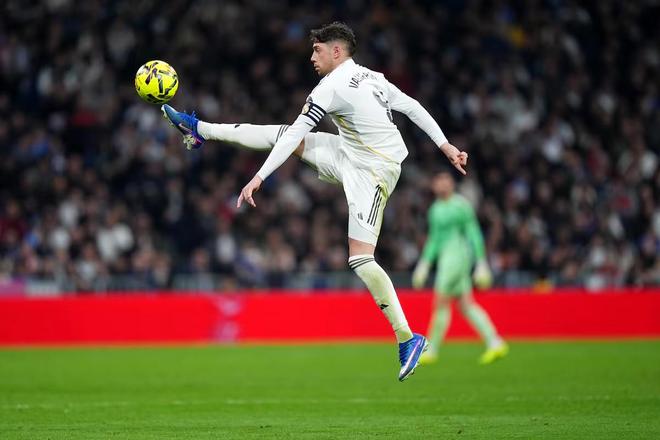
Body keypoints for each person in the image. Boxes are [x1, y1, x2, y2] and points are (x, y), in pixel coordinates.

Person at [162, 22, 469, 381]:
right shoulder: (373, 77)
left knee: (360, 258)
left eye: (317, 50)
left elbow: (302, 129)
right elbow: (413, 107)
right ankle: (200, 129)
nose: (311, 57)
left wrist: (259, 177)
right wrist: (445, 145)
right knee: (281, 134)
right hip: (348, 153)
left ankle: (407, 338)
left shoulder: (331, 87)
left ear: (336, 51)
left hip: (374, 172)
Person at [412, 171, 508, 365]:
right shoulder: (435, 210)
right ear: (433, 186)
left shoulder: (461, 205)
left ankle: (432, 350)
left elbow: (473, 232)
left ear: (452, 184)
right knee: (466, 305)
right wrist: (424, 264)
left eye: (446, 180)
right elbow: (434, 240)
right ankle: (495, 342)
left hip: (457, 257)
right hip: (447, 258)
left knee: (440, 303)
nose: (443, 184)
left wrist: (481, 262)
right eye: (439, 180)